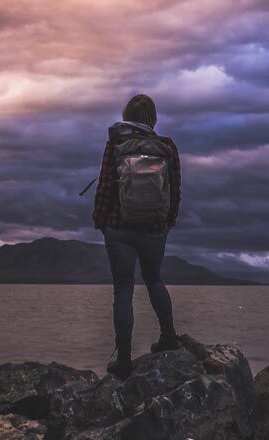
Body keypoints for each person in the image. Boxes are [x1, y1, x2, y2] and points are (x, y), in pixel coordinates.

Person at [92, 94, 181, 380]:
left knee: (123, 289)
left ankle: (124, 359)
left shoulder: (115, 144)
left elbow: (105, 186)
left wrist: (101, 220)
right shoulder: (167, 147)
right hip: (154, 228)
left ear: (126, 115)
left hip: (119, 228)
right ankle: (168, 337)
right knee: (154, 280)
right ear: (152, 118)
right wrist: (168, 222)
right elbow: (175, 188)